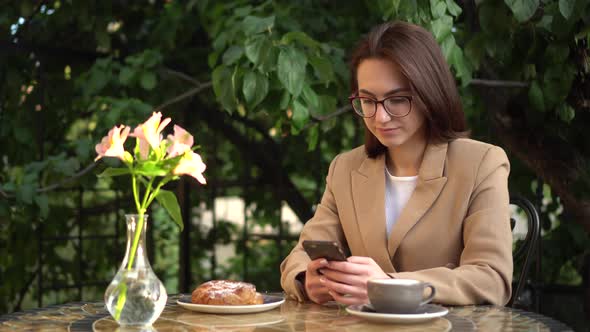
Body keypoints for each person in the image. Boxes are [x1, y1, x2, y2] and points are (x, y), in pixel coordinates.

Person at [280, 21, 513, 306]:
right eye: (367, 100)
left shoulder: (481, 163)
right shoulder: (345, 168)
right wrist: (307, 279)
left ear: (429, 92)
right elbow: (300, 255)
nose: (380, 117)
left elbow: (492, 279)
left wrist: (388, 287)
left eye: (398, 99)